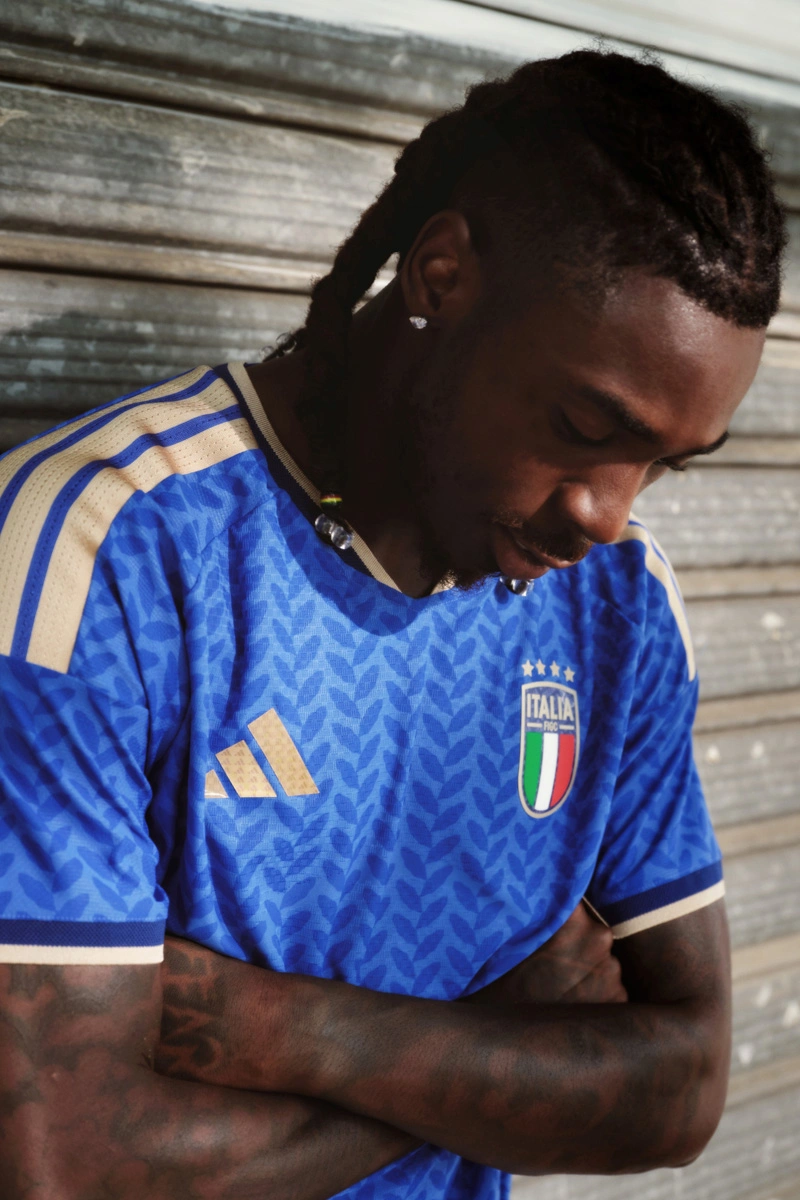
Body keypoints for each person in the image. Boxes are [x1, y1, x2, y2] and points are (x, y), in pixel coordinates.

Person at [0, 48, 785, 1200]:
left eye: (662, 463)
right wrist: (495, 1037)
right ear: (440, 274)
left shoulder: (615, 608)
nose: (606, 514)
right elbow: (63, 1162)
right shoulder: (108, 554)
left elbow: (682, 1089)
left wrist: (290, 1030)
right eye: (582, 426)